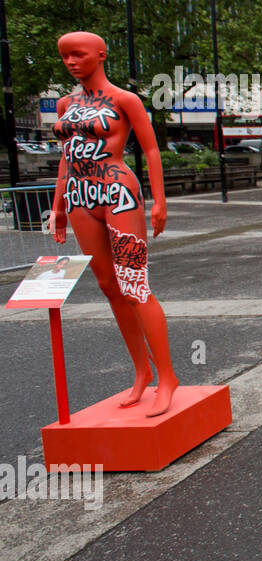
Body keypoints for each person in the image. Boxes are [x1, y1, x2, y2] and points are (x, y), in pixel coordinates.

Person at [49, 31, 179, 416]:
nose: (71, 62)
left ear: (100, 55)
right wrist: (57, 206)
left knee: (134, 283)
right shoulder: (64, 104)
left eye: (78, 55)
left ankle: (167, 376)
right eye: (65, 57)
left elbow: (151, 148)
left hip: (117, 191)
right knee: (108, 285)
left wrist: (159, 202)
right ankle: (141, 371)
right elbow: (66, 156)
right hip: (79, 195)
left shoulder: (125, 100)